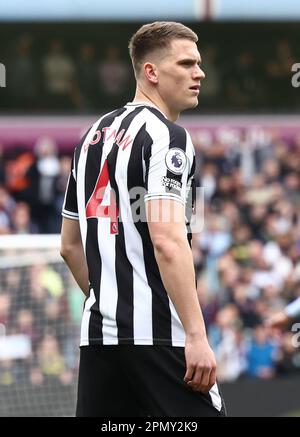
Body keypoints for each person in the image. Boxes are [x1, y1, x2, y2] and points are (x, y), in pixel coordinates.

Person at [61, 21, 226, 417]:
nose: (199, 73)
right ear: (151, 72)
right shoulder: (169, 138)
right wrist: (197, 335)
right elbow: (169, 241)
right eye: (186, 64)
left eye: (199, 64)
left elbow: (69, 246)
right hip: (160, 337)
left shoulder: (91, 136)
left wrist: (113, 304)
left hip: (100, 339)